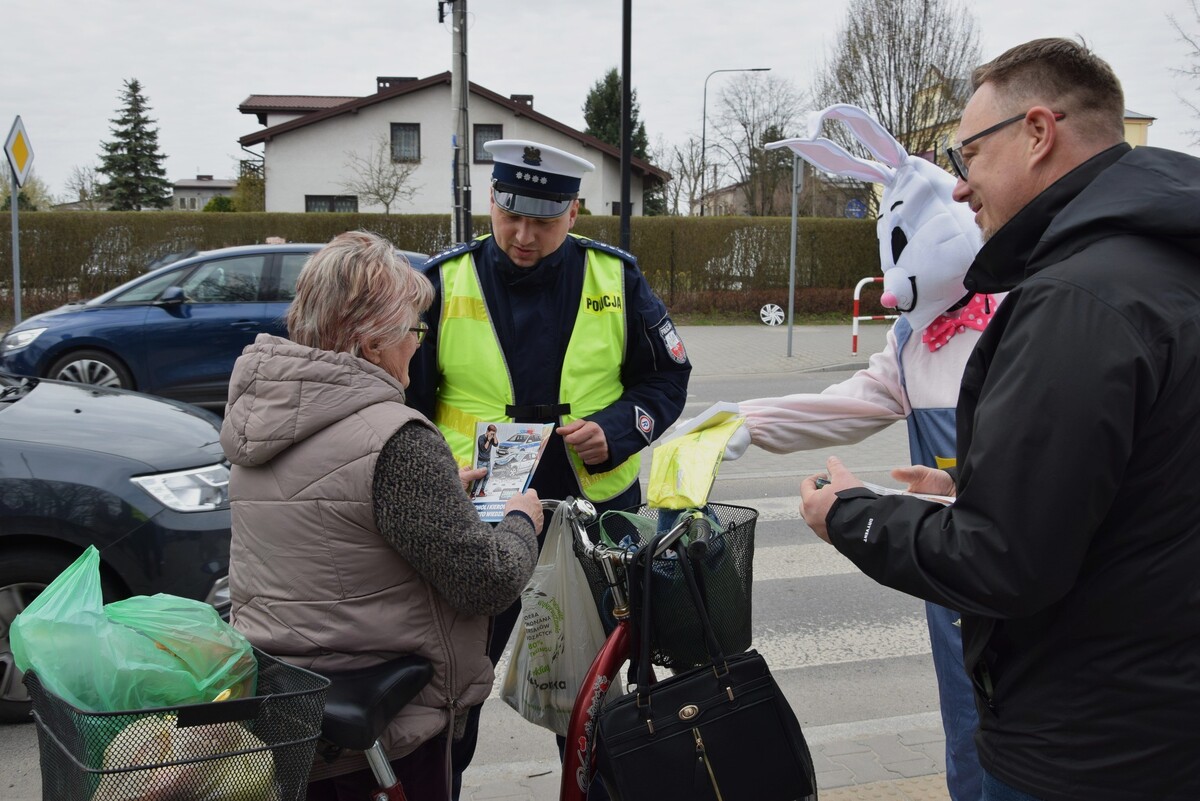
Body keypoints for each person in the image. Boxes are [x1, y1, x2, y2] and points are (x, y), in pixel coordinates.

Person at [799, 37, 1200, 801]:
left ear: (1039, 133)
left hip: (1087, 742)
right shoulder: (1166, 261)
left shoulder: (1077, 297)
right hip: (1166, 714)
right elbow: (1153, 480)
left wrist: (851, 514)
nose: (958, 187)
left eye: (968, 155)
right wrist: (971, 485)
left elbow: (1005, 562)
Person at [703, 101, 993, 801]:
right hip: (953, 577)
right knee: (967, 724)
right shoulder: (910, 340)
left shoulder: (1034, 312)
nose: (892, 286)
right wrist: (743, 420)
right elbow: (850, 403)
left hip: (1021, 569)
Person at [406, 139, 692, 798]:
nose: (523, 234)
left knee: (596, 700)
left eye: (543, 218)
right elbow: (405, 404)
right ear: (492, 201)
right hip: (477, 521)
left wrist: (618, 431)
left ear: (574, 209)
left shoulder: (614, 277)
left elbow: (668, 375)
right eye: (511, 214)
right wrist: (438, 476)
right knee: (453, 694)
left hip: (592, 519)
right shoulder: (443, 281)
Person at [221, 230, 543, 801]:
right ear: (372, 344)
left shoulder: (261, 419)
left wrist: (439, 493)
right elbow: (485, 582)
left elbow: (334, 524)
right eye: (413, 331)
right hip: (382, 729)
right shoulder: (396, 442)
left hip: (286, 708)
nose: (418, 346)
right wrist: (521, 520)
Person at [471, 424, 498, 497]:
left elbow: (496, 444)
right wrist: (488, 440)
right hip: (481, 461)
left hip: (488, 461)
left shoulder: (492, 437)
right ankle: (473, 493)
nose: (492, 435)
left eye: (493, 433)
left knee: (487, 476)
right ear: (487, 431)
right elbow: (484, 448)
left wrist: (494, 436)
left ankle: (481, 491)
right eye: (491, 433)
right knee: (479, 478)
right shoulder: (481, 438)